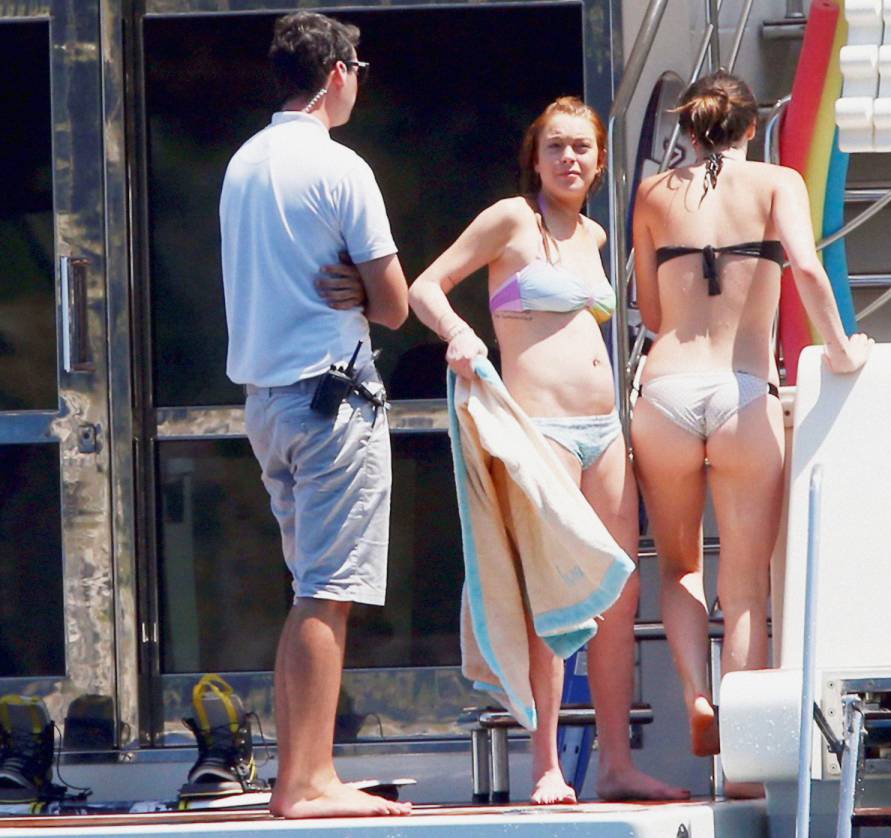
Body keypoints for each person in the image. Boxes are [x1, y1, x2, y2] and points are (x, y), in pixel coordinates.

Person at [408, 97, 688, 805]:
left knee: (619, 594)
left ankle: (617, 764)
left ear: (599, 161)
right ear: (534, 158)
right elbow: (425, 287)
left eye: (582, 147)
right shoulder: (510, 219)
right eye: (556, 146)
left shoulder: (594, 234)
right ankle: (546, 765)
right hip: (542, 430)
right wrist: (459, 335)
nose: (569, 158)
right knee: (553, 599)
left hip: (604, 433)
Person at [630, 71, 871, 768]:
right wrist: (843, 350)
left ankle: (696, 697)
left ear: (688, 128)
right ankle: (743, 757)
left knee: (679, 568)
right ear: (753, 127)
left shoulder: (653, 194)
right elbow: (808, 270)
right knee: (744, 589)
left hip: (666, 392)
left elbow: (653, 312)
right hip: (742, 391)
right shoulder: (776, 182)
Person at [219, 11, 410, 819]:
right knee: (328, 594)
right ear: (336, 73)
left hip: (267, 404)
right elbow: (395, 306)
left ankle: (295, 777)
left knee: (309, 592)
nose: (359, 82)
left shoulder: (243, 163)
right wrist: (364, 288)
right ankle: (308, 780)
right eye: (357, 68)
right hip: (332, 403)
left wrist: (353, 285)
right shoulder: (340, 166)